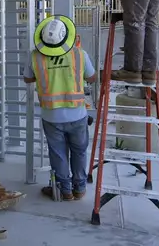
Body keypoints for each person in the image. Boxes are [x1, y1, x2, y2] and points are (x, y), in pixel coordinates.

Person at [23, 15, 97, 201]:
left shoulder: (35, 56)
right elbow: (92, 77)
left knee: (58, 154)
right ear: (67, 36)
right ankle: (79, 189)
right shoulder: (80, 54)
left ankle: (65, 190)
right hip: (77, 114)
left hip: (51, 115)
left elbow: (27, 79)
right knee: (79, 151)